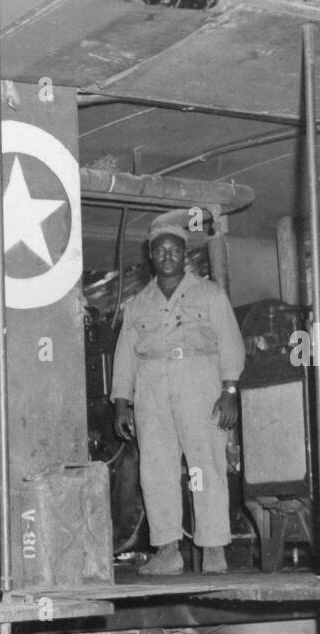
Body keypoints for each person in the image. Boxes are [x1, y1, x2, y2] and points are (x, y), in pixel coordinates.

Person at [110, 210, 245, 575]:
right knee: (156, 470)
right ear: (151, 256)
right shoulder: (137, 304)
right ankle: (168, 550)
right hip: (151, 388)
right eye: (160, 250)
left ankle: (213, 547)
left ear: (184, 254)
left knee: (206, 465)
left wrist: (229, 390)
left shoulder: (210, 294)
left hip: (199, 383)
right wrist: (122, 402)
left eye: (174, 250)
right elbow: (125, 356)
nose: (167, 256)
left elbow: (231, 343)